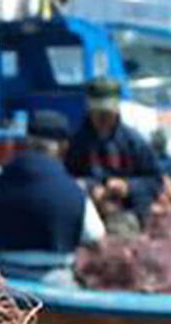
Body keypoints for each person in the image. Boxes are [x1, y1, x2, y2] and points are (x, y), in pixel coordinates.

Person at [0, 118, 105, 286]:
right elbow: (97, 239)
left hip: (5, 284)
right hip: (58, 284)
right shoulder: (74, 191)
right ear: (64, 147)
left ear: (27, 142)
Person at [65, 78, 164, 229]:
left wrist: (128, 187)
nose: (102, 118)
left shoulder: (134, 142)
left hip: (128, 213)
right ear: (89, 109)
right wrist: (90, 188)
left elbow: (155, 180)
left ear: (117, 109)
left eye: (107, 113)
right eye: (98, 112)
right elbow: (66, 179)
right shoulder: (77, 143)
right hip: (88, 215)